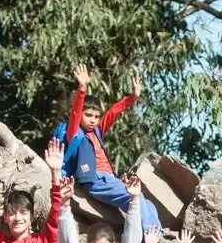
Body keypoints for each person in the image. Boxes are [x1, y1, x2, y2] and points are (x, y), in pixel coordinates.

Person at [59, 64, 160, 231]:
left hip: (109, 179)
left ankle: (157, 233)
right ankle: (149, 232)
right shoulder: (75, 133)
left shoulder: (97, 131)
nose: (92, 120)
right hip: (96, 178)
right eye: (88, 115)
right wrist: (82, 88)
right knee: (132, 196)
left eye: (96, 117)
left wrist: (132, 98)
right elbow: (75, 113)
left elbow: (113, 112)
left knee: (147, 202)